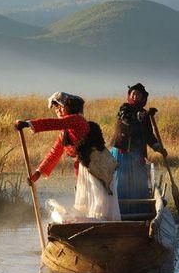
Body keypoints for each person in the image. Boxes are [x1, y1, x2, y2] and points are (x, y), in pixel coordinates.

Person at [15, 92, 120, 222]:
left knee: (98, 203)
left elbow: (54, 123)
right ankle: (91, 229)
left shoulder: (77, 120)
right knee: (88, 203)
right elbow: (54, 153)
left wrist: (27, 124)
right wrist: (38, 172)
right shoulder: (64, 133)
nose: (58, 110)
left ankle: (104, 229)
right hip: (85, 170)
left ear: (71, 107)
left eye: (61, 106)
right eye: (55, 108)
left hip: (98, 168)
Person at [110, 83, 167, 214]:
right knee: (120, 182)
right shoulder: (125, 108)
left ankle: (138, 211)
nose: (135, 96)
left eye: (138, 95)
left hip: (137, 154)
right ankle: (119, 211)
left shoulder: (144, 115)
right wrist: (144, 115)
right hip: (121, 153)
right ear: (129, 95)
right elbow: (127, 120)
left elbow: (149, 136)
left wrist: (158, 147)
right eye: (133, 94)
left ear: (143, 98)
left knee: (138, 183)